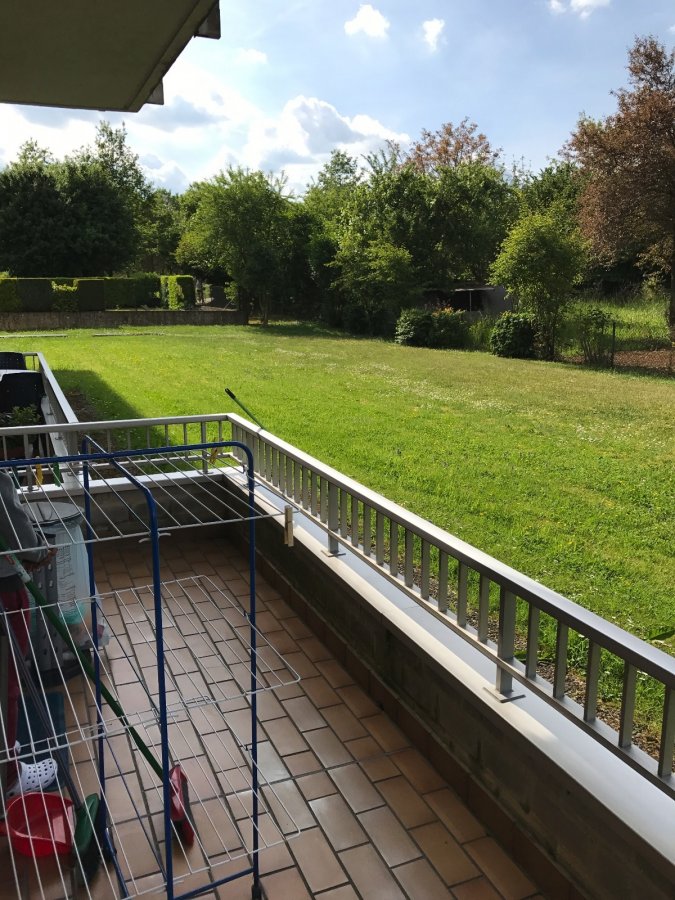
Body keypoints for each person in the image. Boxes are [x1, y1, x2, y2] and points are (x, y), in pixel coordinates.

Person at [0, 469, 58, 803]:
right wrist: (38, 549)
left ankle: (4, 746)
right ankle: (8, 776)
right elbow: (17, 531)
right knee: (5, 680)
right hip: (3, 588)